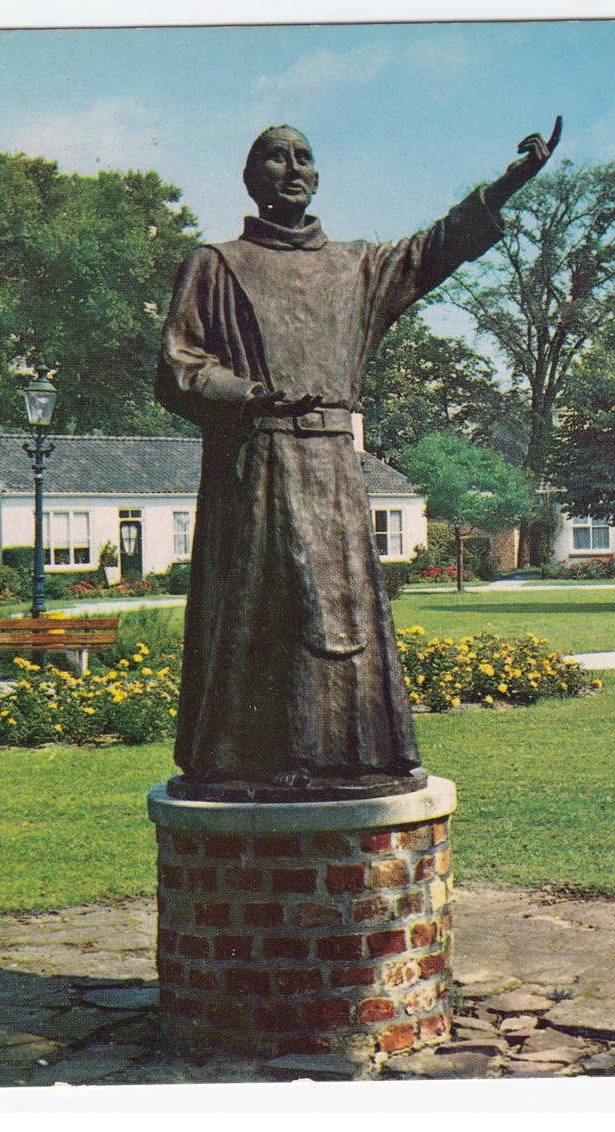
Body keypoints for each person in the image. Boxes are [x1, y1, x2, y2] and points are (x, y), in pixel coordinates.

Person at [156, 119, 560, 800]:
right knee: (263, 615)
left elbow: (437, 248)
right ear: (252, 179)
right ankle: (248, 760)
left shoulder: (357, 267)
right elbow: (177, 367)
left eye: (305, 158)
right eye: (277, 159)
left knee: (340, 623)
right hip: (255, 467)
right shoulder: (214, 264)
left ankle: (352, 756)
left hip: (334, 473)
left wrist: (512, 183)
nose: (293, 170)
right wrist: (249, 394)